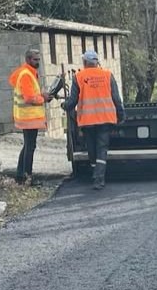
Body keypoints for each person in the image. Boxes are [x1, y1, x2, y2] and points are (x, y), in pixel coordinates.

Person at [62, 49, 125, 190]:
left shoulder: (78, 77)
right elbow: (116, 98)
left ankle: (95, 175)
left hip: (87, 120)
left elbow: (72, 101)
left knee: (91, 149)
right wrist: (121, 115)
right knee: (102, 148)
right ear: (97, 62)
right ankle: (99, 179)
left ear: (84, 62)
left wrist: (64, 106)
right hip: (105, 119)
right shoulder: (108, 75)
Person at [8, 47, 54, 185]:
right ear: (28, 59)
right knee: (30, 147)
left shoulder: (26, 72)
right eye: (35, 60)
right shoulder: (27, 74)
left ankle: (21, 176)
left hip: (25, 116)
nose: (37, 62)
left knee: (27, 145)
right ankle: (27, 177)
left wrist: (41, 95)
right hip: (28, 117)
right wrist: (43, 98)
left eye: (38, 59)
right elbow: (29, 98)